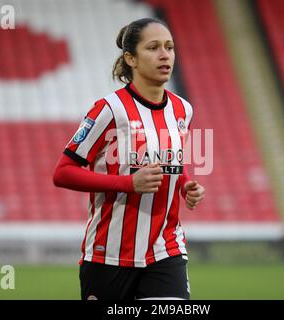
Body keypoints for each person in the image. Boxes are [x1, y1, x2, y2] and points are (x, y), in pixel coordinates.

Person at [53, 17, 205, 300]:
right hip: (108, 254)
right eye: (153, 48)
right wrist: (128, 183)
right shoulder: (109, 109)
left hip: (165, 248)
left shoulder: (182, 110)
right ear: (130, 58)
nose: (164, 55)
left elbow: (171, 161)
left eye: (169, 47)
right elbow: (62, 172)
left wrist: (184, 185)